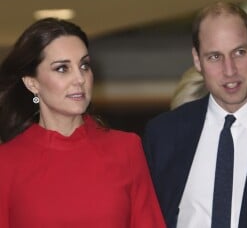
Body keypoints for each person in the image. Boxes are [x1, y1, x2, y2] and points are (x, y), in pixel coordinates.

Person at [143, 2, 247, 228]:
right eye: (215, 57)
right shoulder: (164, 135)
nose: (230, 70)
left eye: (239, 52)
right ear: (197, 60)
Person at [0, 18, 166, 228]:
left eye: (84, 65)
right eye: (62, 68)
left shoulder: (126, 149)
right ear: (32, 83)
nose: (79, 78)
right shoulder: (6, 163)